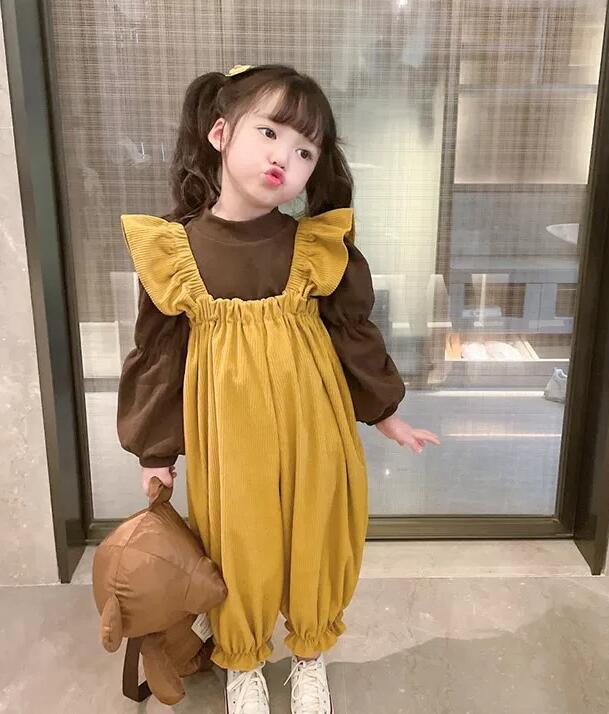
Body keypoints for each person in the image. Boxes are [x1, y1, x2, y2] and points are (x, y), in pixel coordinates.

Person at [117, 63, 439, 714]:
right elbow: (160, 355)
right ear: (219, 133)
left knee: (316, 529)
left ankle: (310, 653)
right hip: (226, 431)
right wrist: (156, 449)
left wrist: (385, 413)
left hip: (314, 421)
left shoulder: (314, 246)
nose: (283, 158)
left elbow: (351, 331)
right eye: (268, 132)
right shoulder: (175, 252)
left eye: (304, 151)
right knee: (237, 539)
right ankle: (243, 659)